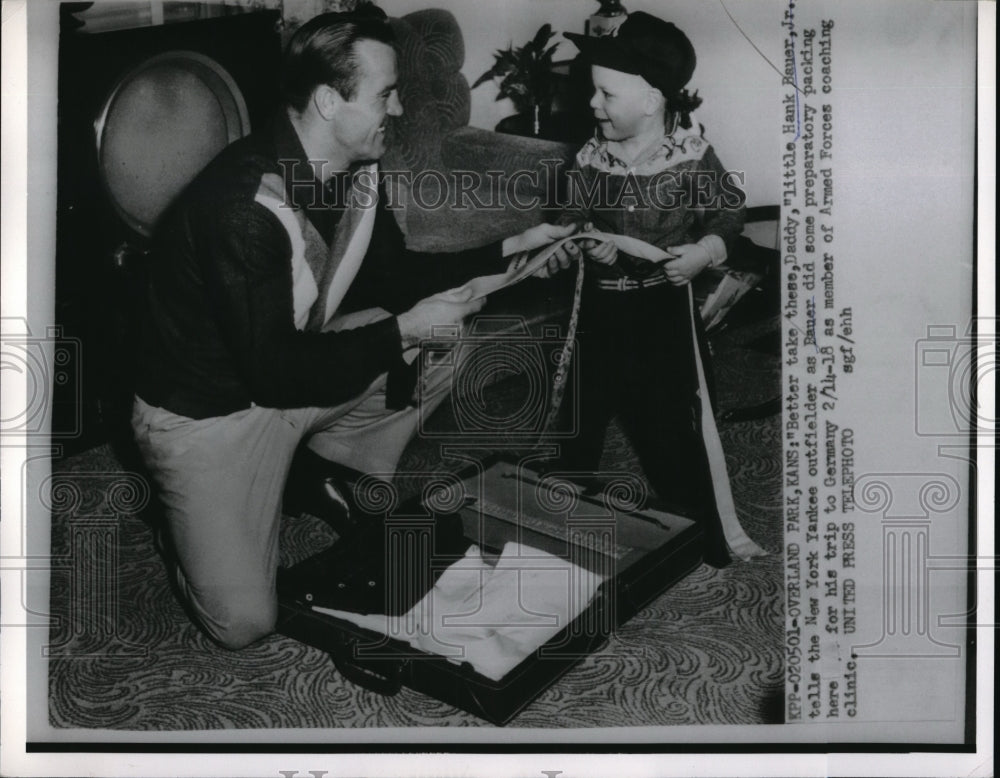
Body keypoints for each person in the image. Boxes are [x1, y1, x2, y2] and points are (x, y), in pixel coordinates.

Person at [130, 5, 577, 649]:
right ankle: (183, 506)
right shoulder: (243, 209)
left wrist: (515, 246)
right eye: (385, 95)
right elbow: (273, 370)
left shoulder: (356, 170)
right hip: (208, 416)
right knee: (243, 624)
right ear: (327, 102)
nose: (397, 110)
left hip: (285, 373)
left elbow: (396, 279)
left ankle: (331, 468)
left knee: (444, 331)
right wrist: (403, 331)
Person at [541, 12, 762, 566]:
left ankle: (698, 537)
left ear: (653, 99)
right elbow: (571, 209)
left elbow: (727, 216)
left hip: (662, 311)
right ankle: (551, 523)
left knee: (669, 424)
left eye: (605, 93)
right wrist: (579, 239)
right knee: (579, 418)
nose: (592, 104)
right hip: (600, 311)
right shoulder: (591, 156)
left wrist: (702, 253)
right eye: (593, 90)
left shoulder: (689, 157)